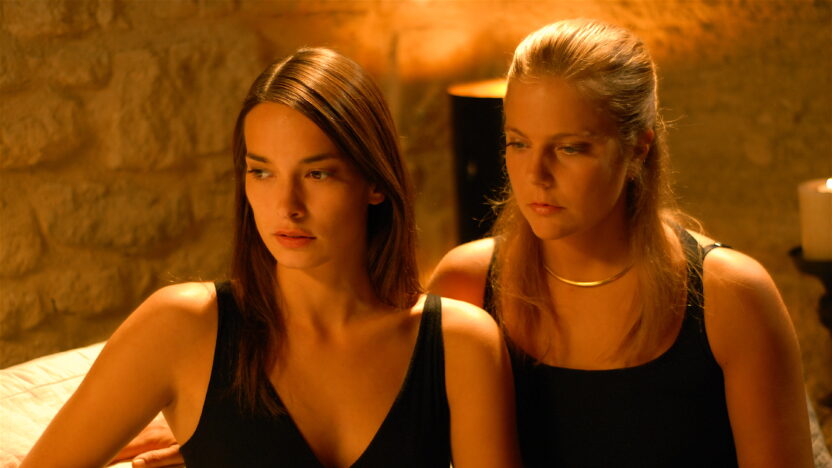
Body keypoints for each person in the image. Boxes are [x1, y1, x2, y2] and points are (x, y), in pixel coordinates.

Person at [21, 47, 521, 468]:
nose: (287, 206)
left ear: (374, 181)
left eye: (317, 173)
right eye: (262, 172)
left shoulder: (461, 344)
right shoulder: (182, 327)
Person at [428, 19, 814, 467]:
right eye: (518, 143)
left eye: (570, 148)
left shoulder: (733, 297)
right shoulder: (463, 288)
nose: (536, 175)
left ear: (638, 148)